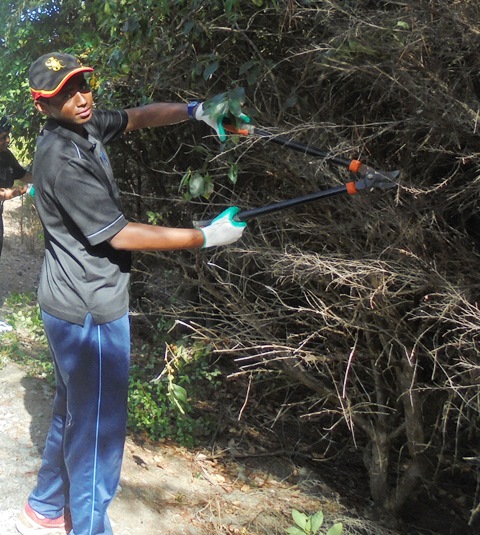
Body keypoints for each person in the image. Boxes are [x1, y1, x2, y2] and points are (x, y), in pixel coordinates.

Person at [16, 52, 248, 535]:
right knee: (98, 431)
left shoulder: (83, 124)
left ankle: (45, 507)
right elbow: (120, 235)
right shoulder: (62, 158)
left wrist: (195, 111)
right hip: (88, 312)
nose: (81, 99)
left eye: (83, 85)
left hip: (68, 303)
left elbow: (137, 117)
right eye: (65, 94)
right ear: (43, 105)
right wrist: (205, 236)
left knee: (73, 413)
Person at [0, 116, 32, 259]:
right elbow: (2, 194)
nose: (8, 140)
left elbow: (24, 175)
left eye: (8, 135)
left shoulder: (6, 156)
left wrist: (46, 177)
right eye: (3, 137)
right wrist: (27, 190)